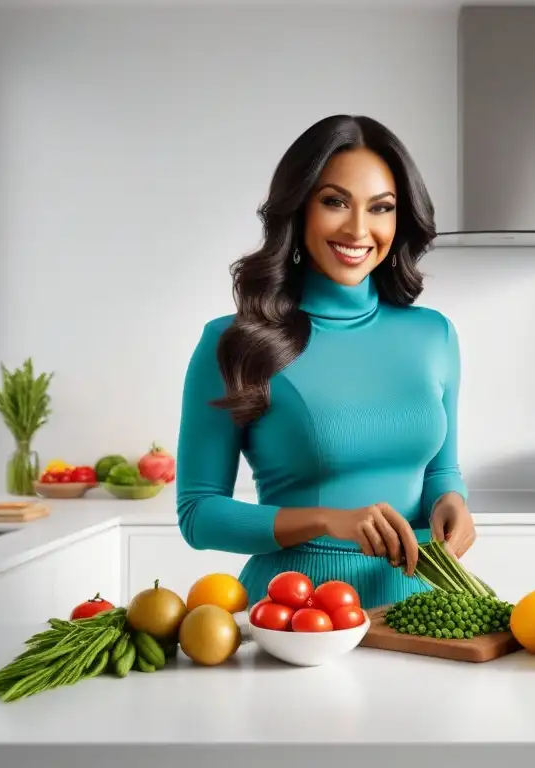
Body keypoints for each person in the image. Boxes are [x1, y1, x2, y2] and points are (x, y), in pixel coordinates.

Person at [175, 114, 476, 610]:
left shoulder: (434, 334)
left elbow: (442, 470)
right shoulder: (234, 341)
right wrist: (327, 520)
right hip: (296, 614)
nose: (359, 229)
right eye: (335, 202)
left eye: (381, 208)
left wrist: (452, 503)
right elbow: (198, 513)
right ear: (300, 210)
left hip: (423, 611)